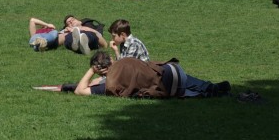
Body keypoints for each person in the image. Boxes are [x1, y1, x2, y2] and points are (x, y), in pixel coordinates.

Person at [71, 51, 231, 98]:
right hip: (173, 69)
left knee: (171, 89)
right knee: (178, 79)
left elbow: (79, 90)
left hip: (168, 86)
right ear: (112, 59)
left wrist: (92, 71)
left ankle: (205, 93)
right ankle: (210, 87)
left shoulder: (111, 83)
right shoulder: (126, 60)